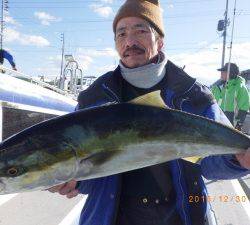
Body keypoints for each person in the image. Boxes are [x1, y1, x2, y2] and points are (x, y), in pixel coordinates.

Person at [49, 1, 250, 225]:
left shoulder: (193, 96)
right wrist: (75, 181)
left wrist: (238, 160)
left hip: (182, 217)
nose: (130, 41)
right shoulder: (95, 98)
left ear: (160, 41)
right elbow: (92, 170)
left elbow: (211, 164)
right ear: (115, 43)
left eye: (141, 31)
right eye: (121, 34)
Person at [211, 62, 250, 130]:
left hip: (231, 123)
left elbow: (244, 106)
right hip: (216, 120)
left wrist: (239, 124)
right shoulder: (216, 86)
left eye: (224, 71)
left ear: (231, 73)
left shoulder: (240, 87)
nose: (221, 73)